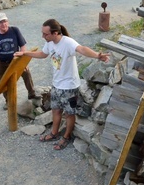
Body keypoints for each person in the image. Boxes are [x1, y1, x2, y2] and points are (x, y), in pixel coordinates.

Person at [15, 19, 110, 151]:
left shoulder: (67, 42)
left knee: (69, 114)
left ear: (55, 33)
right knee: (56, 110)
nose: (43, 36)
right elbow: (43, 54)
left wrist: (97, 56)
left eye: (45, 34)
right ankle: (54, 133)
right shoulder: (50, 43)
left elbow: (82, 49)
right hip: (56, 85)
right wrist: (25, 53)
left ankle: (66, 137)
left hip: (69, 87)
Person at [0, 12, 37, 102]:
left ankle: (32, 93)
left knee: (26, 73)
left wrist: (23, 61)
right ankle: (8, 101)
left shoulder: (15, 30)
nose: (3, 24)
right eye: (0, 22)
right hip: (2, 64)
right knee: (4, 83)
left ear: (8, 21)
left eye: (5, 21)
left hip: (15, 61)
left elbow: (22, 46)